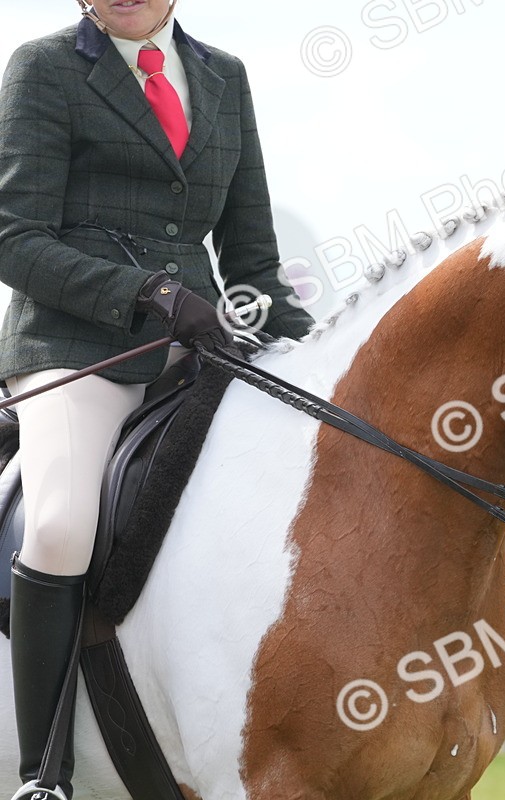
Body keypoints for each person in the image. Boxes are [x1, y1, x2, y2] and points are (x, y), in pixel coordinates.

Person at [0, 2, 313, 797]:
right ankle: (44, 773)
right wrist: (147, 291)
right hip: (77, 347)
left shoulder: (223, 77)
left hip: (201, 346)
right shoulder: (44, 68)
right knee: (63, 523)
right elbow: (15, 237)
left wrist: (322, 343)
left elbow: (249, 260)